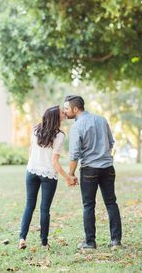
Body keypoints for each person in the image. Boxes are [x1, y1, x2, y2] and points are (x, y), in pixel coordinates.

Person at [64, 95, 122, 250]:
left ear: (75, 109)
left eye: (66, 109)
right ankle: (115, 242)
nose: (65, 112)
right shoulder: (102, 119)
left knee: (88, 205)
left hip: (90, 169)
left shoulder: (77, 126)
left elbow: (74, 154)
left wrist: (71, 174)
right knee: (111, 203)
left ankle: (90, 242)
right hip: (108, 168)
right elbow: (111, 143)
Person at [19, 105, 76, 250]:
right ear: (56, 118)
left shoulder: (36, 129)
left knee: (29, 205)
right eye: (61, 113)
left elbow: (31, 151)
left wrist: (33, 164)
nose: (64, 114)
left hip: (31, 171)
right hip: (48, 175)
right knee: (44, 209)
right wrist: (67, 178)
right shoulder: (60, 135)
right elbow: (54, 162)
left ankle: (22, 238)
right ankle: (44, 243)